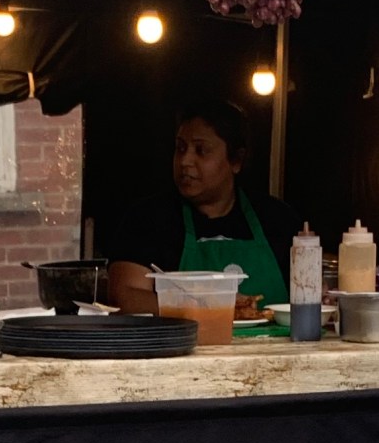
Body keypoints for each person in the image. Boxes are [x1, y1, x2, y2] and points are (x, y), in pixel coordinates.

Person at [104, 99, 298, 304]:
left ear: (236, 161)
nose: (185, 161)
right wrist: (207, 307)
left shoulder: (277, 220)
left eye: (201, 150)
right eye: (180, 148)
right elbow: (124, 295)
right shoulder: (149, 219)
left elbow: (310, 293)